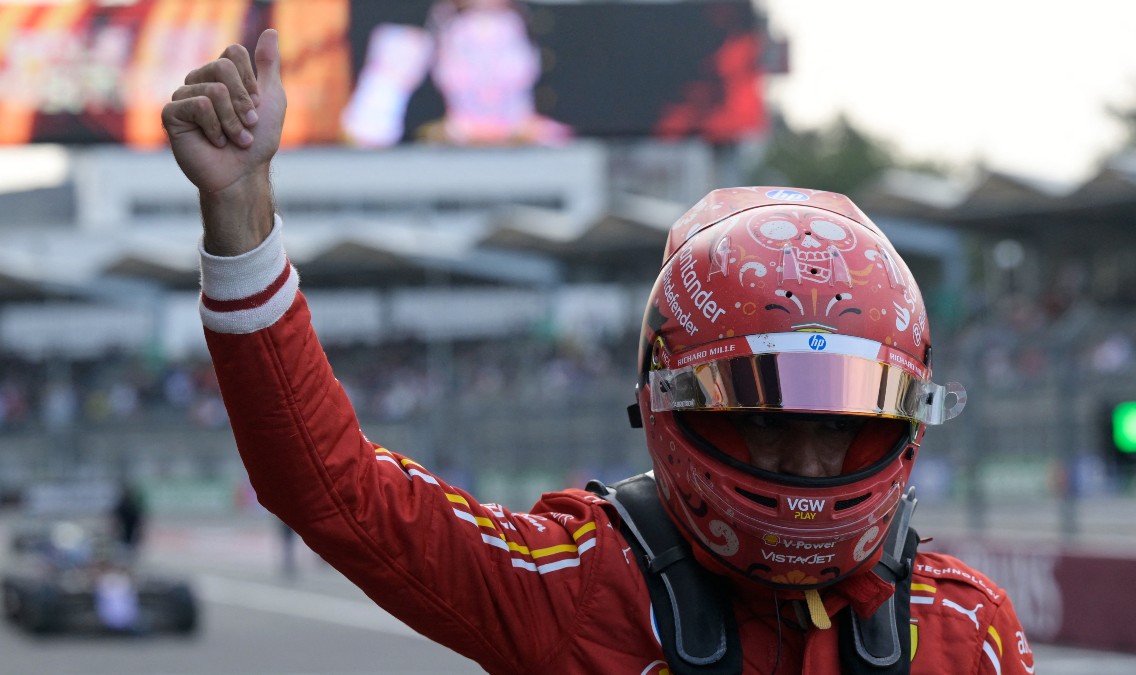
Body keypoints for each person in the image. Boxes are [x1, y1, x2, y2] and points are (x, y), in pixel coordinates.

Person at [162, 29, 1035, 674]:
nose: (808, 461)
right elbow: (330, 484)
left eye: (844, 424)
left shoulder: (971, 633)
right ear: (672, 403)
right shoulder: (580, 586)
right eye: (768, 420)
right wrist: (240, 219)